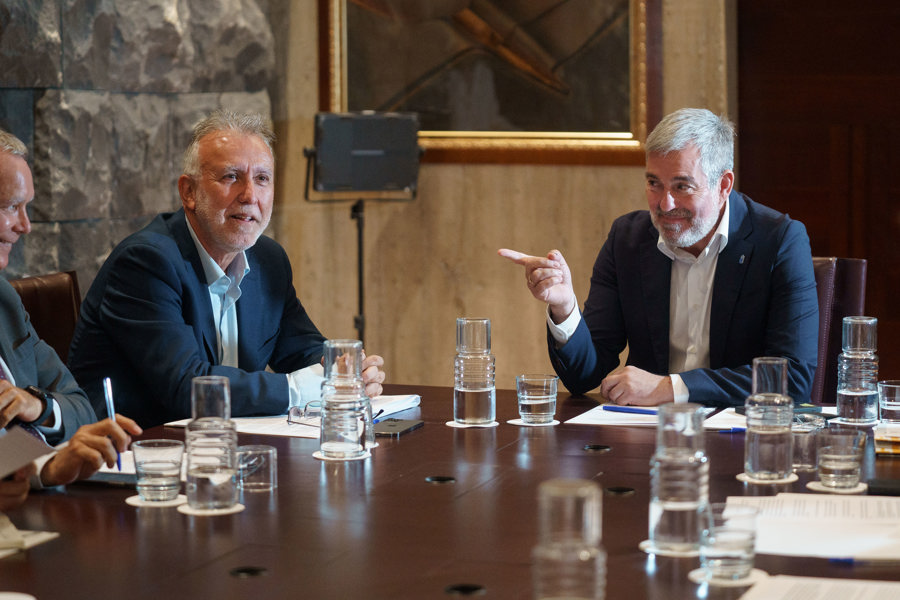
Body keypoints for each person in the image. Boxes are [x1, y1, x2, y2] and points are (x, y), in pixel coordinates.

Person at [68, 110, 387, 428]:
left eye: (262, 179)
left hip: (228, 446)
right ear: (189, 192)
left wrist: (346, 370)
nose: (250, 196)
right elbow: (188, 388)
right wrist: (308, 386)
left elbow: (302, 350)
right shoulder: (146, 262)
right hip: (137, 454)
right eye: (231, 177)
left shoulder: (267, 259)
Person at [499, 108, 818, 408]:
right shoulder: (627, 238)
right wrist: (564, 306)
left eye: (682, 186)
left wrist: (670, 388)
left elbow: (792, 377)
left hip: (740, 440)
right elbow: (585, 376)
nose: (665, 205)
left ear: (723, 185)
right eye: (654, 184)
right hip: (645, 438)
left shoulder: (779, 240)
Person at [0, 128, 141, 511]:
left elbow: (81, 405)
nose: (25, 226)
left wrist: (39, 407)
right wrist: (46, 467)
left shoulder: (5, 300)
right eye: (11, 206)